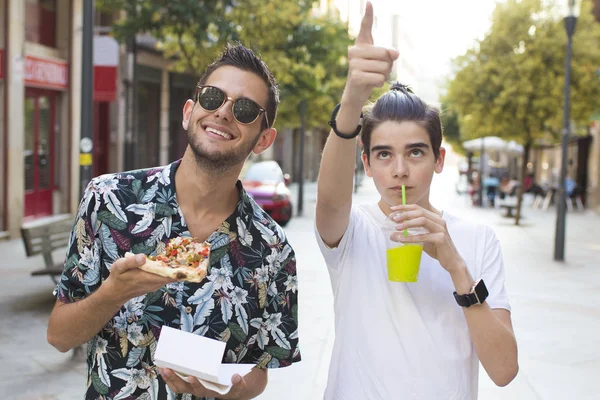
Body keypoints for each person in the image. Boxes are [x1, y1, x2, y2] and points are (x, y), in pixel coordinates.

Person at [47, 44, 301, 400]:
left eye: (244, 109)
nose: (224, 112)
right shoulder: (109, 199)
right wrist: (113, 293)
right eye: (213, 98)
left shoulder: (272, 248)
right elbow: (59, 336)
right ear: (189, 112)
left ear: (264, 139)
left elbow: (258, 372)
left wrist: (222, 390)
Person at [314, 3, 518, 399]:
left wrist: (456, 266)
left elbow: (505, 370)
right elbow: (329, 199)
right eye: (384, 154)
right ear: (367, 165)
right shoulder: (352, 230)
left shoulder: (477, 239)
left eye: (416, 152)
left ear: (439, 160)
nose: (400, 170)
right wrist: (354, 96)